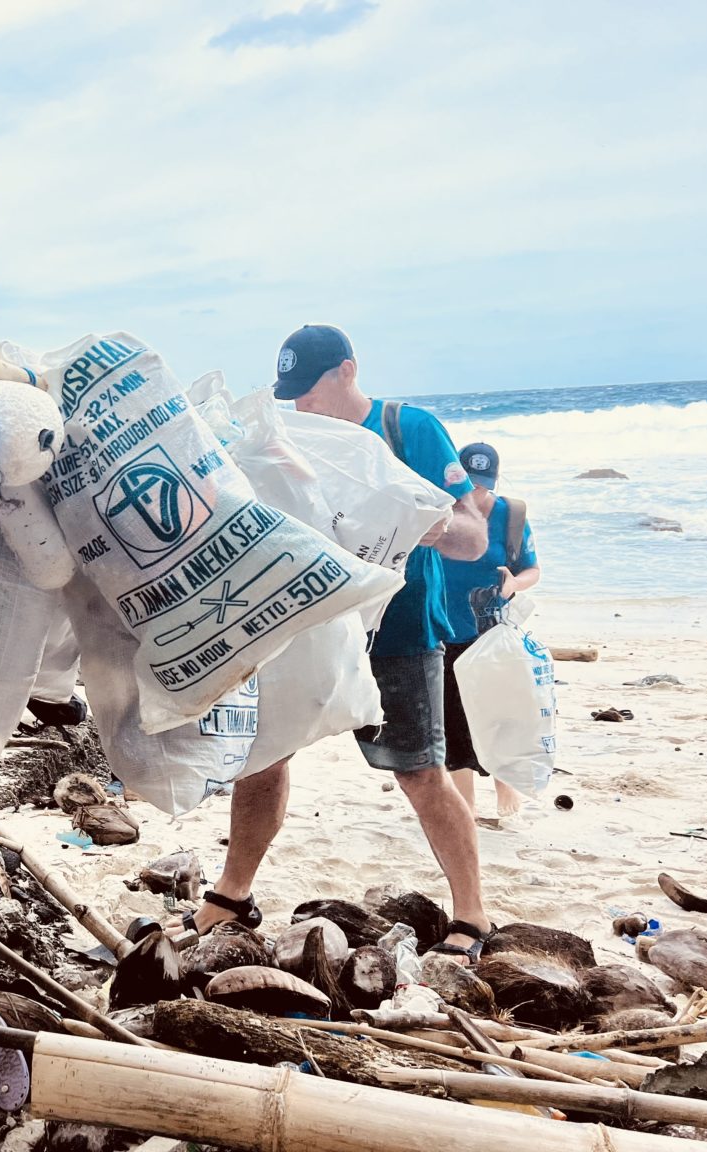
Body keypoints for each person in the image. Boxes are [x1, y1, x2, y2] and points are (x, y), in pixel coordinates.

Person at [177, 325, 496, 964]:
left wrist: (420, 519)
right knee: (263, 757)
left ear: (348, 371)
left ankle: (472, 914)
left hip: (399, 629)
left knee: (419, 771)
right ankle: (234, 893)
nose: (301, 406)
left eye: (311, 389)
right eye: (289, 393)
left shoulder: (409, 429)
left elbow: (474, 538)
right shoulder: (294, 434)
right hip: (312, 627)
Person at [441, 442, 541, 817]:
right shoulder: (438, 513)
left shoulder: (510, 517)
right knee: (453, 718)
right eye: (468, 483)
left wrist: (515, 584)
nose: (474, 492)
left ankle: (504, 786)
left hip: (492, 632)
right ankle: (464, 804)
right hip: (441, 631)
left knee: (500, 713)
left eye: (482, 484)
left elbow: (533, 569)